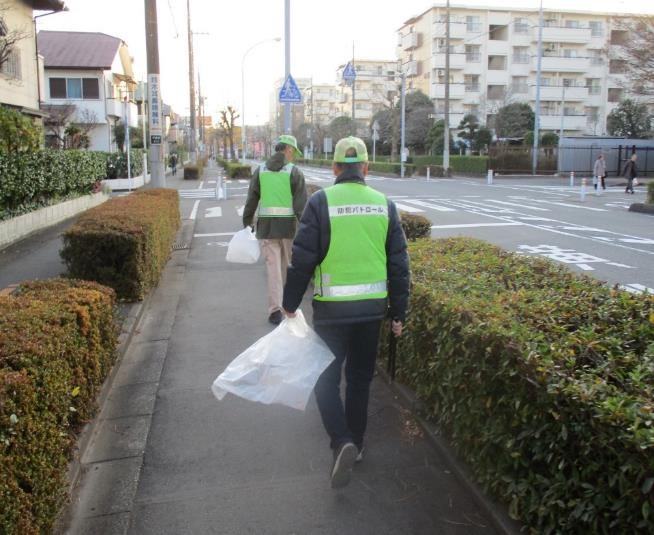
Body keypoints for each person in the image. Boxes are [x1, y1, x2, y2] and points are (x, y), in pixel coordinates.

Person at [282, 136, 410, 489]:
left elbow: (302, 258)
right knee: (359, 379)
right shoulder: (385, 205)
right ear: (366, 168)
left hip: (332, 313)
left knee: (325, 379)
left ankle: (341, 441)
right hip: (372, 312)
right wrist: (399, 312)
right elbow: (399, 266)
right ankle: (359, 442)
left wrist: (290, 304)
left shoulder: (320, 202)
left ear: (335, 168)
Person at [243, 134, 307, 325]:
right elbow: (301, 206)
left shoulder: (261, 170)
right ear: (288, 149)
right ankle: (289, 308)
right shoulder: (294, 172)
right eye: (294, 151)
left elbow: (251, 199)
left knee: (273, 270)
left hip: (267, 228)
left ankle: (274, 311)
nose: (294, 155)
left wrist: (247, 222)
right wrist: (306, 229)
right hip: (288, 228)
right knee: (289, 268)